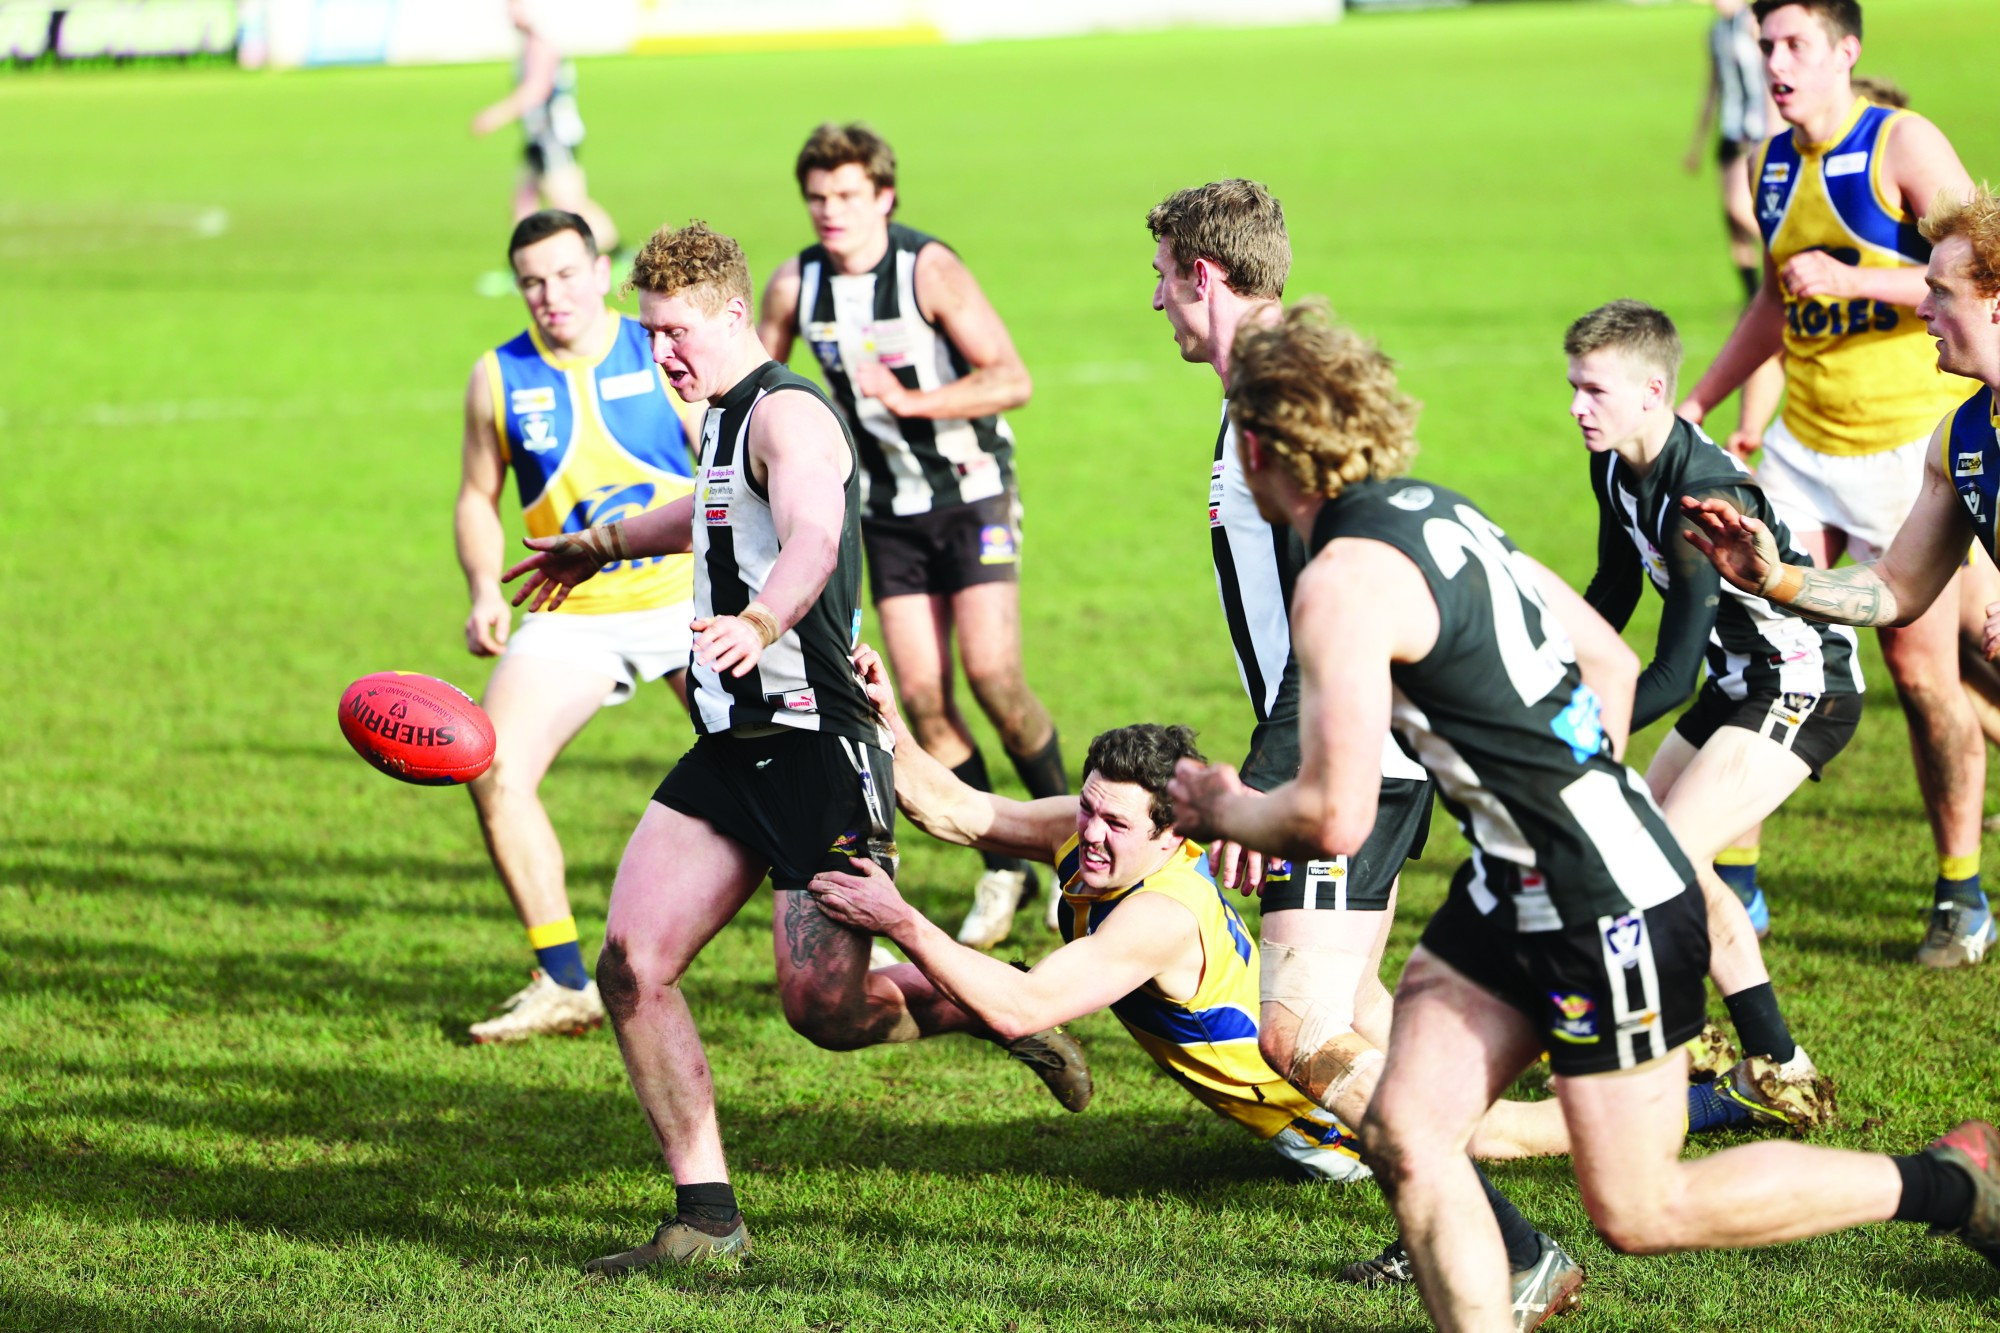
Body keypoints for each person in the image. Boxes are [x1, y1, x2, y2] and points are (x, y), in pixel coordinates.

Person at [1168, 299, 2000, 1332]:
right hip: (1513, 879)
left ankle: (1947, 1182)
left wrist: (1219, 805)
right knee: (1407, 1133)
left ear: (1256, 447)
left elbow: (1333, 817)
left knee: (1641, 1209)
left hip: (1598, 896)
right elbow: (1605, 660)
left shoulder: (1337, 578)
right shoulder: (1435, 509)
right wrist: (1556, 793)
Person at [502, 221, 1092, 1276]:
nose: (662, 353)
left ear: (732, 315)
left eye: (675, 332)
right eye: (648, 336)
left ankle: (992, 1000)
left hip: (818, 737)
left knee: (822, 1009)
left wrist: (764, 623)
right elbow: (715, 513)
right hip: (732, 742)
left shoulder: (789, 418)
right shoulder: (722, 417)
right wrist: (602, 542)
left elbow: (813, 535)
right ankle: (706, 1218)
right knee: (632, 967)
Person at [813, 653, 1588, 1330]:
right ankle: (1657, 1088)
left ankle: (1694, 1104)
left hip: (1320, 1123)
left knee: (1501, 1134)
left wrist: (904, 921)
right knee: (1462, 1089)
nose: (1090, 833)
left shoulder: (1159, 913)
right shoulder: (1096, 833)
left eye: (1114, 822)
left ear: (1172, 835)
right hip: (1304, 1037)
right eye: (1086, 807)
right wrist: (890, 723)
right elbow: (957, 810)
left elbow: (1023, 1009)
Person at [1675, 0, 1985, 968]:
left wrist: (1854, 281)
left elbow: (1969, 270)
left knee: (1922, 671)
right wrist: (1704, 400)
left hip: (1903, 446)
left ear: (1845, 52)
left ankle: (1958, 888)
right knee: (1765, 640)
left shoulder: (1897, 145)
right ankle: (1733, 875)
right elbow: (1774, 299)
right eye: (1762, 44)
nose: (1771, 60)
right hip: (1806, 446)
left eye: (1791, 44)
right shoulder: (1770, 163)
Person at [757, 123, 1068, 949]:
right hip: (883, 512)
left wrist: (911, 402)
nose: (832, 212)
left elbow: (1012, 377)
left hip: (971, 495)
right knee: (922, 699)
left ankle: (1070, 839)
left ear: (885, 197)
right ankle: (1003, 864)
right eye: (818, 198)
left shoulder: (927, 268)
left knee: (996, 677)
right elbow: (755, 385)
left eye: (849, 196)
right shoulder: (794, 284)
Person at [1567, 298, 1846, 1132]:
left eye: (1595, 391)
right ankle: (1716, 1051)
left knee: (1660, 860)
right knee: (1650, 860)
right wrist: (1544, 676)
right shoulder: (1615, 460)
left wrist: (1581, 728)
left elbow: (1673, 673)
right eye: (1573, 387)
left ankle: (1777, 1070)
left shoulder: (1702, 495)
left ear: (1654, 391)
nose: (1577, 407)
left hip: (1800, 685)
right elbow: (1613, 590)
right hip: (1736, 682)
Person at [454, 209, 701, 1043]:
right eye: (532, 281)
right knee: (492, 767)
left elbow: (726, 476)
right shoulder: (498, 376)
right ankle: (563, 978)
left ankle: (877, 934)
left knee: (795, 763)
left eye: (566, 275)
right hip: (573, 614)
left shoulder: (659, 350)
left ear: (601, 272)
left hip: (686, 599)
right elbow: (475, 496)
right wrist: (486, 586)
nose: (550, 295)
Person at [470, 0, 620, 259]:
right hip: (539, 136)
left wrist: (495, 116)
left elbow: (536, 91)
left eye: (518, 6)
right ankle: (521, 261)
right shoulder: (531, 44)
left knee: (570, 204)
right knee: (523, 199)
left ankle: (614, 253)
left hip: (554, 137)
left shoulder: (540, 45)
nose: (512, 13)